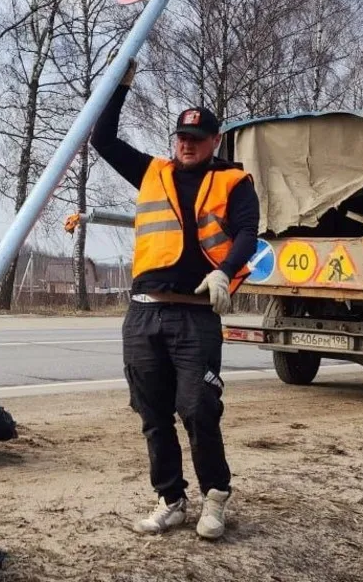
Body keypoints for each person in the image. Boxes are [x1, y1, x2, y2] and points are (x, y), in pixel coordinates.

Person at [91, 58, 259, 540]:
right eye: (181, 137)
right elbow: (102, 140)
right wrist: (119, 86)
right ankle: (171, 499)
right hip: (143, 313)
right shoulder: (151, 172)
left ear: (214, 142)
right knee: (152, 413)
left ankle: (215, 497)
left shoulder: (234, 181)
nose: (187, 144)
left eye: (197, 138)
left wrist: (225, 272)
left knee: (198, 407)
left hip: (195, 315)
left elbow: (249, 232)